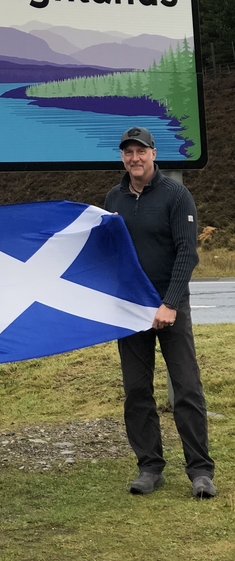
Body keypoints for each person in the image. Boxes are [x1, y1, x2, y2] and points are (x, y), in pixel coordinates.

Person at [104, 127, 216, 498]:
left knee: (186, 389)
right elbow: (109, 253)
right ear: (122, 157)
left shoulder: (176, 195)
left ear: (153, 153)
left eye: (140, 151)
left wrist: (169, 304)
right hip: (131, 310)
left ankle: (200, 471)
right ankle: (149, 466)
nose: (134, 158)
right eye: (128, 152)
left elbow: (187, 254)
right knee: (137, 391)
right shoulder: (114, 198)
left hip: (171, 307)